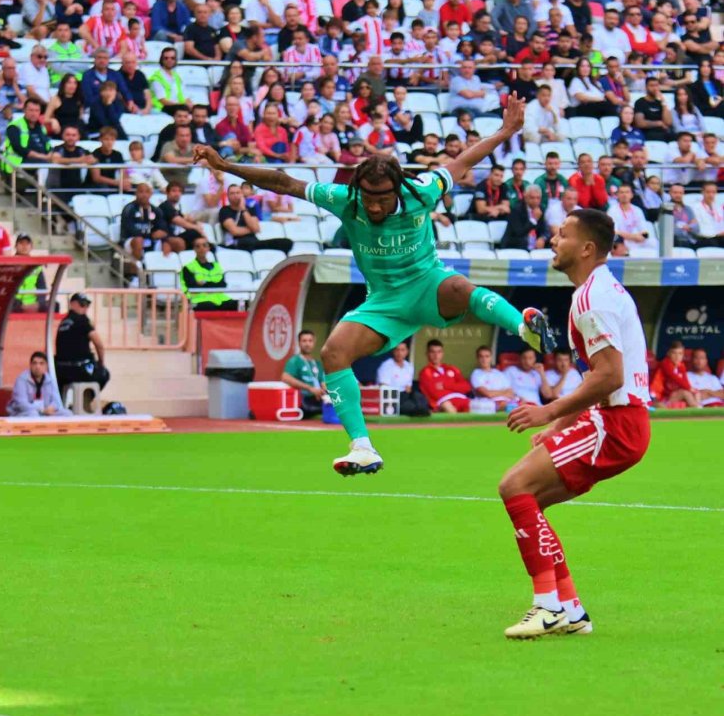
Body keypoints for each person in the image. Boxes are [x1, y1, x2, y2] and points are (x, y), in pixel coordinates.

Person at [195, 93, 554, 474]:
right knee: (333, 352)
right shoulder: (346, 200)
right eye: (368, 198)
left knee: (459, 287)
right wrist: (225, 165)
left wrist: (505, 130)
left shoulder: (423, 190)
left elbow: (464, 160)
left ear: (397, 189)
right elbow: (283, 182)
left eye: (381, 199)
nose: (374, 206)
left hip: (427, 283)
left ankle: (524, 327)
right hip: (383, 302)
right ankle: (362, 447)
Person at [499, 208, 651, 639]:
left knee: (514, 487)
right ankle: (570, 608)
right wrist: (561, 424)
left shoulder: (591, 299)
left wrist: (547, 412)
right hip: (620, 420)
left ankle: (546, 606)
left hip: (616, 422)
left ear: (586, 248)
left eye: (563, 234)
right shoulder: (601, 291)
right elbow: (598, 374)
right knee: (531, 501)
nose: (553, 239)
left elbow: (610, 376)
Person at [55, 293, 109, 392]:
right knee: (104, 374)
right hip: (78, 370)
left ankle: (73, 403)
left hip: (60, 369)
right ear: (72, 304)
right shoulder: (82, 320)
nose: (85, 308)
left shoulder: (63, 322)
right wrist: (101, 363)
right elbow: (99, 344)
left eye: (87, 305)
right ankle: (85, 402)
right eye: (82, 304)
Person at [217, 184, 292, 253]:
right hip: (237, 242)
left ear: (242, 194)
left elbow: (256, 228)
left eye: (238, 193)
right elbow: (235, 231)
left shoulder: (249, 209)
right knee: (250, 243)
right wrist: (251, 229)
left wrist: (243, 209)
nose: (235, 195)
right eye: (232, 193)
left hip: (254, 241)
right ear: (228, 196)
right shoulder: (225, 210)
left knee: (286, 242)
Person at [0, 98, 58, 176]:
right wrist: (43, 157)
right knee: (44, 165)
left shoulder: (41, 128)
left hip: (40, 161)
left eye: (37, 110)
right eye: (31, 110)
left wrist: (51, 154)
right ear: (24, 110)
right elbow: (18, 148)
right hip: (19, 162)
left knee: (60, 162)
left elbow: (48, 146)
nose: (34, 113)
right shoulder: (14, 126)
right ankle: (42, 188)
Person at [120, 183, 174, 261]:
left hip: (151, 239)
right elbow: (131, 231)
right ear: (136, 193)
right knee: (139, 240)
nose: (144, 195)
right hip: (131, 241)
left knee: (176, 242)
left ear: (151, 194)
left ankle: (168, 268)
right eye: (141, 192)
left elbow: (164, 229)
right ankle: (137, 270)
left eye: (147, 192)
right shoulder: (129, 209)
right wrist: (151, 235)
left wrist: (163, 235)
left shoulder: (156, 210)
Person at [8, 351, 71, 417]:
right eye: (35, 363)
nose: (37, 366)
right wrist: (41, 410)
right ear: (30, 365)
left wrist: (52, 407)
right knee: (33, 414)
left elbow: (56, 401)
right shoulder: (21, 379)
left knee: (67, 413)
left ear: (46, 366)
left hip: (45, 412)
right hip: (23, 412)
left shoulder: (50, 380)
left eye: (41, 363)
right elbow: (21, 404)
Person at [180, 238, 235, 312]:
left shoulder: (217, 266)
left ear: (208, 248)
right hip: (199, 300)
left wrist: (204, 283)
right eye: (198, 246)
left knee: (237, 304)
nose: (201, 248)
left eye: (204, 245)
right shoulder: (188, 267)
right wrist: (213, 284)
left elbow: (223, 284)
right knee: (210, 307)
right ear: (194, 249)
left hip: (219, 299)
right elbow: (192, 286)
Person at [375, 342, 430, 416]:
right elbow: (384, 388)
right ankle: (418, 410)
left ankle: (421, 410)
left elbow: (409, 388)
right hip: (392, 397)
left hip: (405, 395)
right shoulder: (386, 366)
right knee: (410, 406)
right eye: (397, 350)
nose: (399, 353)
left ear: (407, 351)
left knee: (418, 396)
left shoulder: (409, 366)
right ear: (393, 351)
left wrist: (408, 391)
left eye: (402, 350)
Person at [418, 339, 472, 413]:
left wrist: (445, 385)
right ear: (427, 353)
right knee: (448, 406)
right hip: (442, 402)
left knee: (475, 406)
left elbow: (466, 387)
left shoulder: (452, 368)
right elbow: (434, 392)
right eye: (432, 352)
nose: (436, 355)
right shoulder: (425, 372)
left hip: (461, 398)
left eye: (439, 352)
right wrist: (456, 387)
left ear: (442, 353)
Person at [500, 186, 548, 250]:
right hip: (515, 244)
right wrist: (534, 220)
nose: (535, 201)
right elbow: (519, 232)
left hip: (534, 245)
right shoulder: (516, 209)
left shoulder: (541, 209)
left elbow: (545, 230)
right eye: (532, 198)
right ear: (525, 197)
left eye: (538, 198)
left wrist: (542, 238)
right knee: (522, 241)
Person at [470, 345, 516, 410]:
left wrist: (494, 393)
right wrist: (503, 392)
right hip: (488, 405)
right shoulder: (476, 374)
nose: (484, 359)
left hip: (507, 402)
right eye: (481, 357)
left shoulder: (499, 373)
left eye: (487, 356)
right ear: (477, 358)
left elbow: (511, 393)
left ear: (491, 358)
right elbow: (488, 394)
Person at [655, 340, 699, 407]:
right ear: (669, 353)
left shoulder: (681, 366)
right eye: (674, 353)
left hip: (672, 396)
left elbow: (685, 381)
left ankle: (698, 407)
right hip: (659, 397)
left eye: (680, 353)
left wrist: (692, 390)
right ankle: (698, 410)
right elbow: (675, 378)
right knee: (685, 393)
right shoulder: (665, 363)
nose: (677, 356)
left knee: (696, 393)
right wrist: (690, 389)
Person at [634, 77, 673, 142]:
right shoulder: (640, 102)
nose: (655, 88)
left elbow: (668, 122)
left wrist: (663, 101)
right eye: (652, 85)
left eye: (656, 85)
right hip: (647, 133)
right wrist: (658, 123)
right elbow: (640, 123)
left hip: (663, 133)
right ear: (646, 87)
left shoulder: (661, 103)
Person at [691, 181, 724, 247]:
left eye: (713, 192)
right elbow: (698, 229)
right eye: (708, 192)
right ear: (702, 192)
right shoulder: (695, 207)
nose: (711, 195)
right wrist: (716, 234)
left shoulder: (718, 207)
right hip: (704, 238)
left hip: (719, 237)